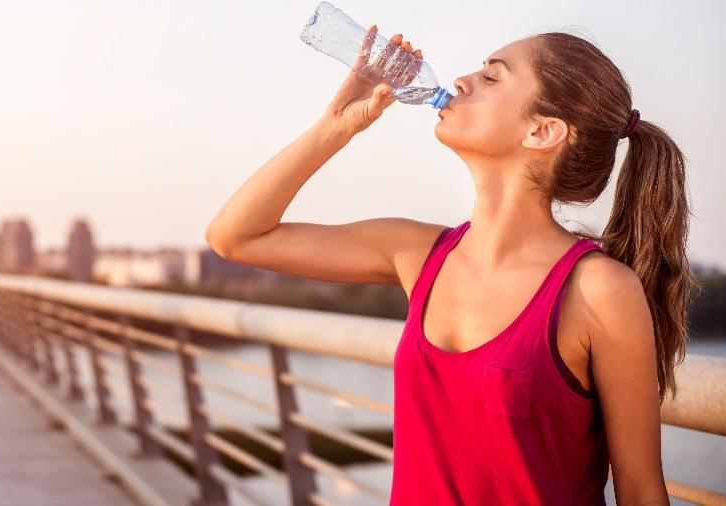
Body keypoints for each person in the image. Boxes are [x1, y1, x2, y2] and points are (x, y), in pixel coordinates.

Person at [205, 25, 696, 505]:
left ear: (542, 131)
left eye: (492, 77)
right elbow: (235, 237)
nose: (461, 81)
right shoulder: (415, 253)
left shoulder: (597, 290)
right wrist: (335, 127)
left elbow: (639, 491)